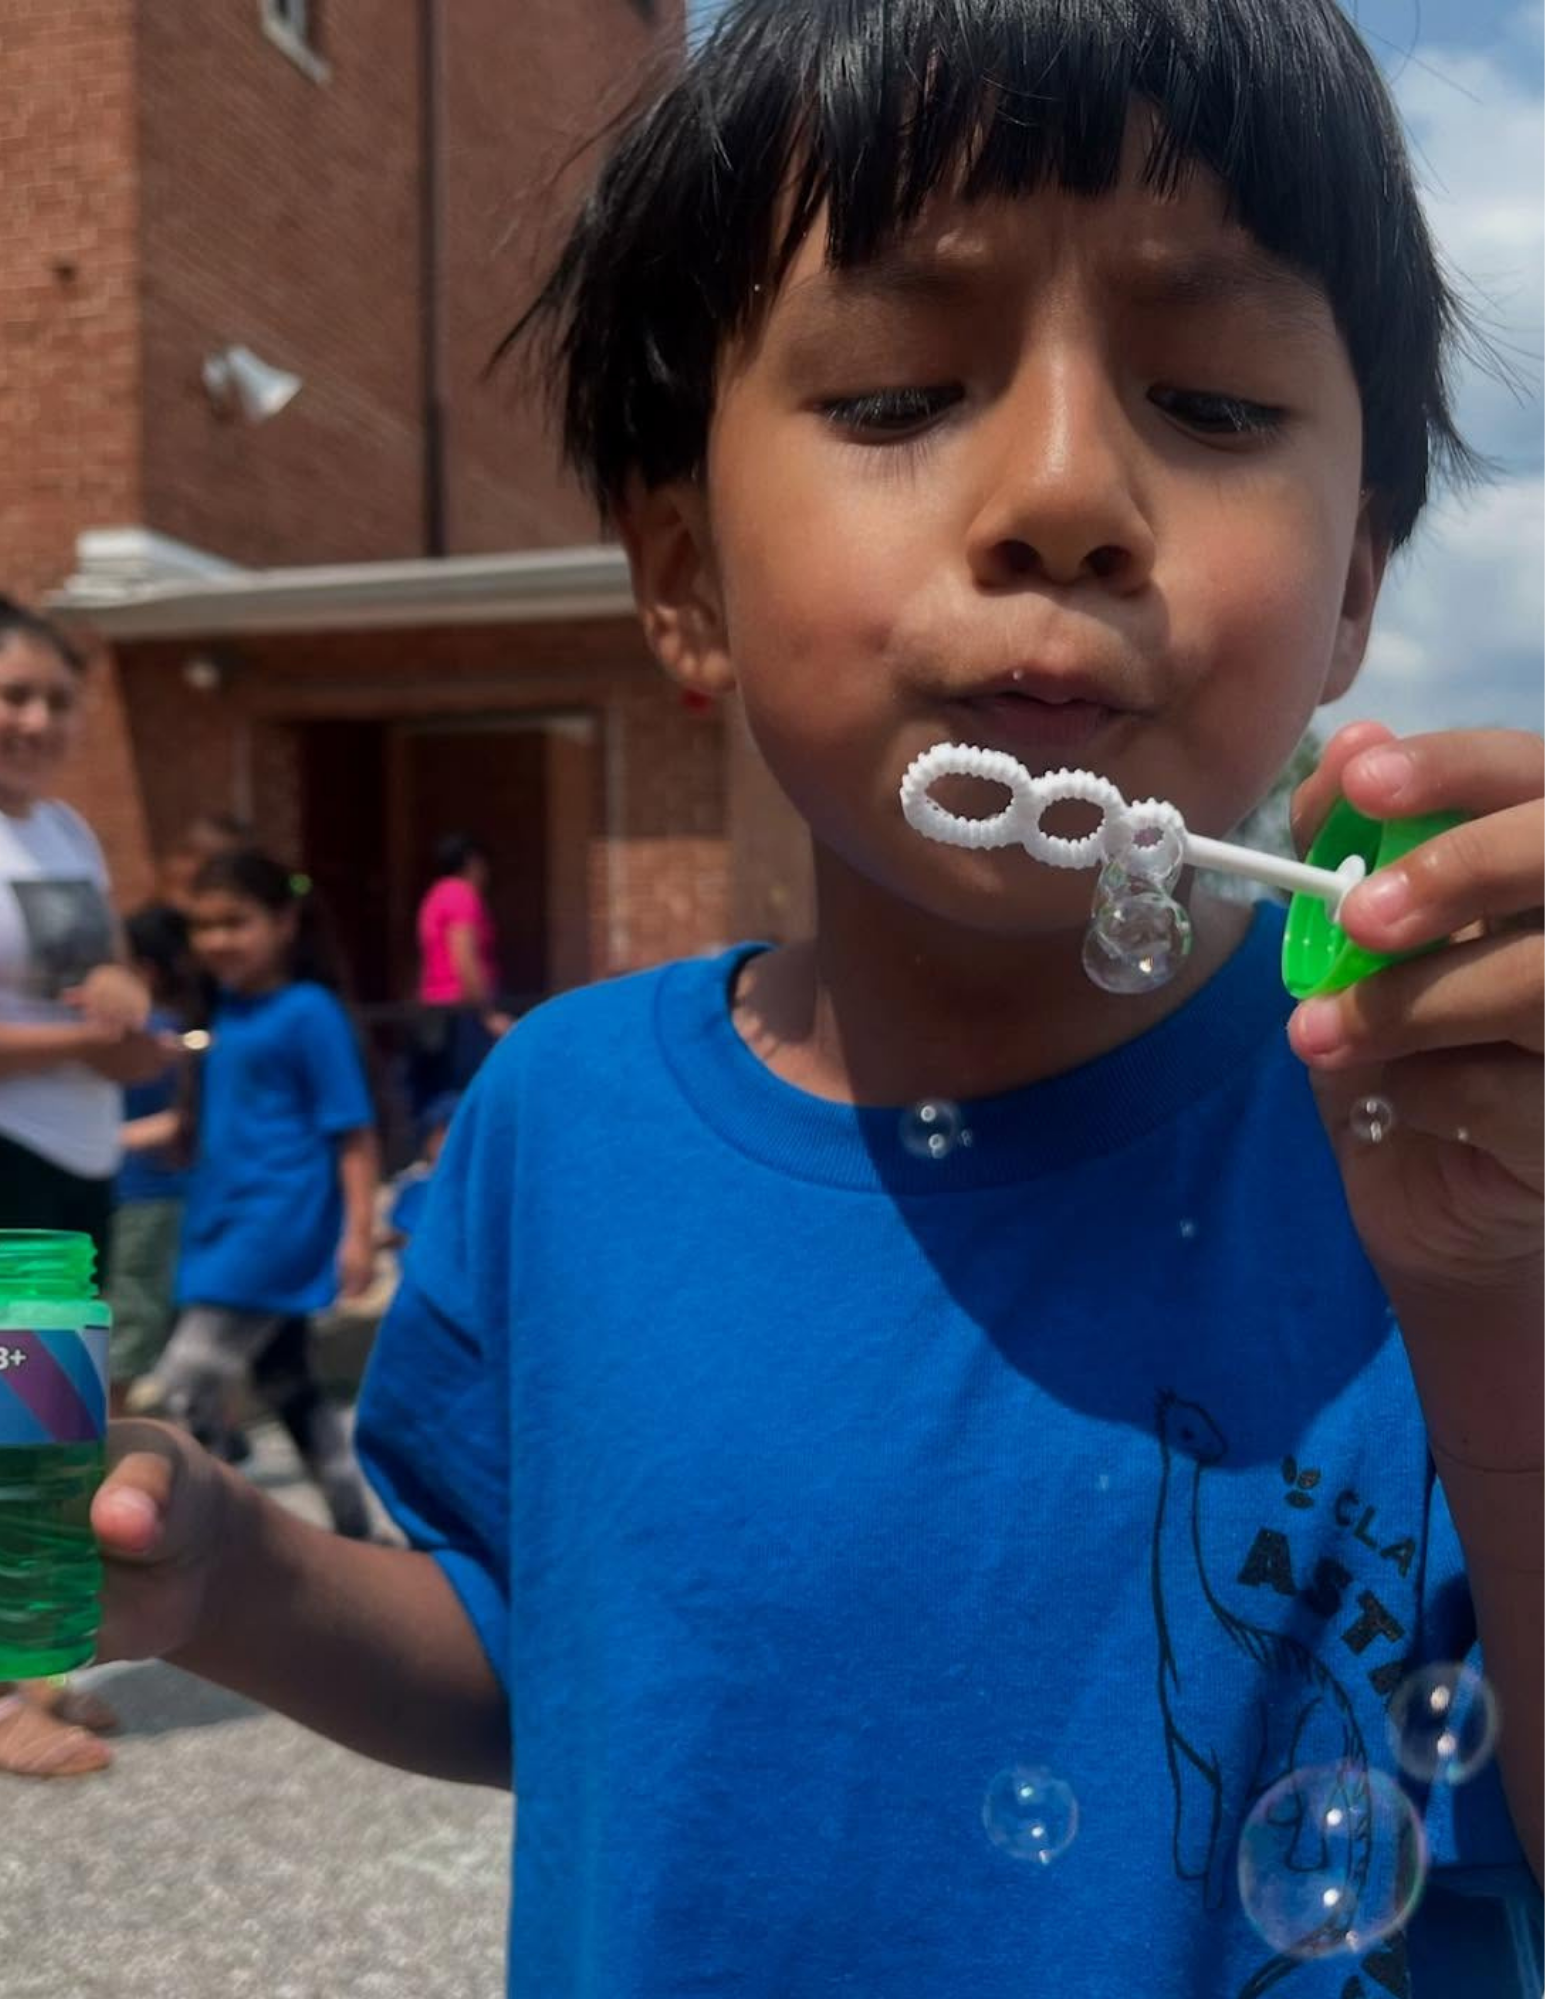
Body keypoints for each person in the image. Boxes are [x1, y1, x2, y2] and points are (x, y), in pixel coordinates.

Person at [88, 5, 1543, 1993]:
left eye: (1206, 403)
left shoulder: (1456, 1133)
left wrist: (1493, 1301)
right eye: (893, 397)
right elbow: (559, 1668)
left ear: (1354, 583)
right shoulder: (560, 1120)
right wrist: (223, 1575)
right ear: (681, 570)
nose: (1060, 489)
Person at [0, 596, 174, 1780]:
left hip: (79, 1161)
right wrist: (87, 1037)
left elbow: (94, 998)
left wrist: (130, 1028)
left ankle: (37, 1675)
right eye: (14, 694)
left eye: (56, 698)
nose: (37, 718)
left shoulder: (67, 834)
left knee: (53, 1431)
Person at [127, 849, 378, 1540]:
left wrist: (358, 1230)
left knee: (177, 1388)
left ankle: (171, 1540)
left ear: (285, 920)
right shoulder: (224, 1012)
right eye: (204, 925)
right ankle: (358, 1533)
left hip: (271, 1227)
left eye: (236, 921)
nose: (217, 941)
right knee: (290, 1387)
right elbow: (203, 1122)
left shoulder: (309, 1013)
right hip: (217, 1221)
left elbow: (352, 1131)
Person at [106, 903, 198, 1420]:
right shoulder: (181, 1030)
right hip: (156, 1191)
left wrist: (110, 1138)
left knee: (131, 1327)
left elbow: (183, 1120)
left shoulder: (153, 1034)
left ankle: (111, 1444)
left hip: (142, 1194)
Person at [408, 834, 509, 1111]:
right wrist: (486, 1014)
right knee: (466, 1095)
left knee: (441, 1097)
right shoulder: (461, 895)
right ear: (472, 863)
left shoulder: (435, 895)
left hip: (435, 1007)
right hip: (461, 1012)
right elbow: (464, 956)